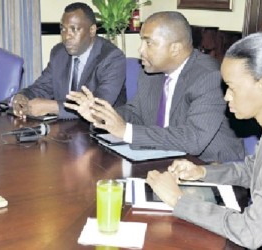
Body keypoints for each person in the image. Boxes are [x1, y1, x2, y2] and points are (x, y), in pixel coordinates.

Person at [146, 32, 262, 249]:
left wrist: (179, 200)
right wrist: (201, 173)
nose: (226, 96)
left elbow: (251, 232)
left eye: (232, 87)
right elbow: (252, 172)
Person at [66, 11, 244, 163]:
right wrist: (101, 115)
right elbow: (136, 113)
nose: (141, 50)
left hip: (212, 166)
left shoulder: (208, 76)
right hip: (164, 159)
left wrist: (126, 131)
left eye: (148, 42)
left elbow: (193, 139)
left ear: (175, 48)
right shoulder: (150, 71)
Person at [12, 2, 126, 120]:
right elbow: (42, 87)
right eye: (63, 29)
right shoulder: (59, 53)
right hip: (65, 129)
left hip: (100, 131)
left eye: (74, 29)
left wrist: (52, 107)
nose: (66, 36)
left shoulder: (112, 57)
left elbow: (99, 106)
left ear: (92, 30)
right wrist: (22, 96)